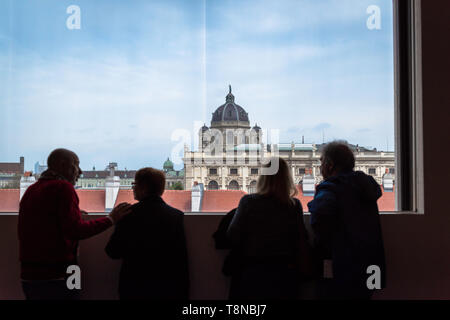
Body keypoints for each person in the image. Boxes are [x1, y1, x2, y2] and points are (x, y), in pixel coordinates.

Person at [18, 148, 131, 300]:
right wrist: (111, 219)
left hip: (29, 274)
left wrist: (74, 214)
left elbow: (47, 220)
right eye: (77, 165)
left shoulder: (32, 189)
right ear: (64, 165)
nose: (80, 172)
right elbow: (75, 231)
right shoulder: (63, 188)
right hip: (61, 272)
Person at [307, 141, 386, 300]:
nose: (320, 166)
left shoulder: (331, 187)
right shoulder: (367, 185)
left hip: (341, 267)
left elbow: (319, 222)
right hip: (370, 266)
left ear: (329, 166)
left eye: (321, 162)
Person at [226, 157, 312, 299]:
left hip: (253, 272)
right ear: (287, 178)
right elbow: (300, 239)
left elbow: (232, 236)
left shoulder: (248, 202)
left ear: (263, 177)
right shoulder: (294, 205)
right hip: (285, 273)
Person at [105, 167, 189, 299]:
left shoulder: (128, 214)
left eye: (134, 184)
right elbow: (180, 258)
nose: (132, 188)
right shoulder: (176, 216)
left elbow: (113, 251)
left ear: (143, 188)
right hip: (166, 287)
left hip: (134, 286)